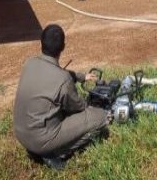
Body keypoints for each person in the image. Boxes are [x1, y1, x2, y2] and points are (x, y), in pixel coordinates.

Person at [13, 24, 109, 170]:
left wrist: (82, 77)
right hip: (41, 141)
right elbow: (79, 107)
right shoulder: (63, 80)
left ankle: (42, 149)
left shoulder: (29, 63)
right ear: (63, 47)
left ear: (41, 43)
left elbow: (58, 72)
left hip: (21, 135)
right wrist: (93, 104)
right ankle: (56, 153)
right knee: (100, 117)